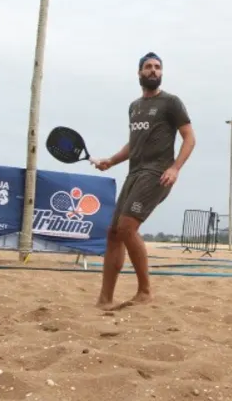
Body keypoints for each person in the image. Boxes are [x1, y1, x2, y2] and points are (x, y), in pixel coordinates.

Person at [90, 52, 196, 309]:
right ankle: (105, 299)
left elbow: (189, 138)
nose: (153, 71)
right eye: (148, 67)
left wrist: (175, 168)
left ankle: (145, 292)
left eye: (157, 67)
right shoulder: (134, 107)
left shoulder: (171, 102)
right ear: (139, 73)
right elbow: (133, 143)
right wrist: (111, 161)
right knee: (114, 233)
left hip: (157, 172)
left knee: (127, 228)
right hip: (134, 173)